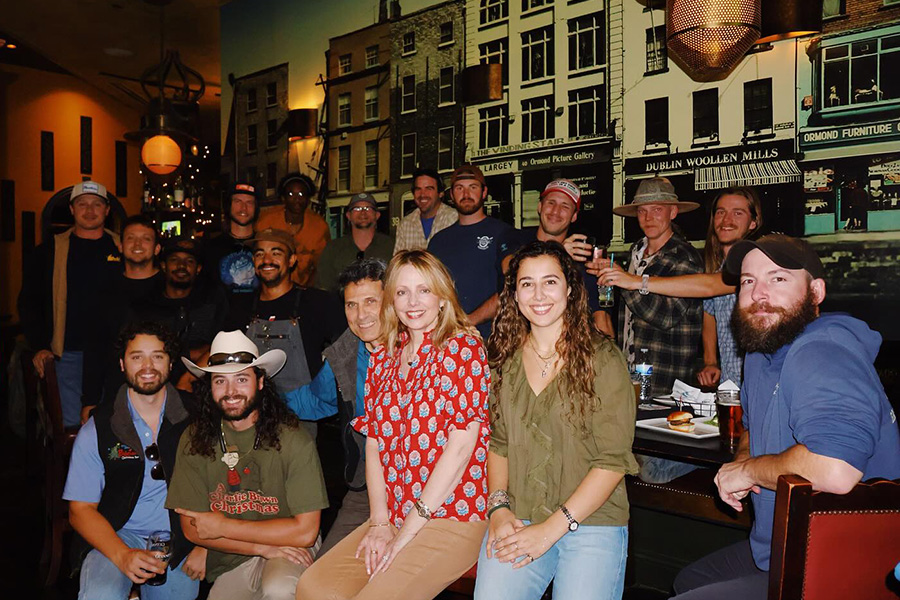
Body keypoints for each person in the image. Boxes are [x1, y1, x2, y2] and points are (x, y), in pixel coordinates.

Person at [671, 235, 900, 600]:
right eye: (748, 281)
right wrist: (744, 458)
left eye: (778, 279)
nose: (759, 293)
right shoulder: (762, 353)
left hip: (849, 559)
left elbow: (835, 470)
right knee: (689, 581)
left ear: (816, 292)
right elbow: (752, 426)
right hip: (785, 540)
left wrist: (746, 471)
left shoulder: (822, 351)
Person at [296, 250, 490, 600]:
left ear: (442, 296)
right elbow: (374, 444)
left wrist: (407, 530)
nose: (412, 302)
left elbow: (460, 450)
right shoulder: (384, 355)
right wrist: (381, 523)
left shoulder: (463, 348)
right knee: (314, 588)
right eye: (402, 292)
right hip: (396, 513)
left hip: (451, 516)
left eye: (423, 291)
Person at [473, 241, 638, 600]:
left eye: (550, 281)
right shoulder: (503, 363)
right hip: (520, 514)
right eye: (526, 284)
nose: (538, 294)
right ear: (514, 296)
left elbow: (612, 462)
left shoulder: (603, 360)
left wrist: (550, 530)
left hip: (591, 522)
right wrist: (499, 509)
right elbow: (498, 444)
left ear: (570, 289)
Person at [166, 330, 328, 600]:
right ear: (210, 387)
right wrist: (261, 547)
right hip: (234, 552)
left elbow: (305, 532)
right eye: (220, 381)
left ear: (261, 381)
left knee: (279, 589)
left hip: (290, 546)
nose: (231, 392)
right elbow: (192, 528)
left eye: (242, 379)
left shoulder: (293, 439)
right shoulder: (194, 439)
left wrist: (220, 528)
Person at [64, 321, 204, 600]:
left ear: (171, 363)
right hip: (117, 534)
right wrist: (122, 555)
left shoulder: (198, 418)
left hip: (182, 537)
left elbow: (222, 487)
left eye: (158, 356)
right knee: (99, 596)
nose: (148, 366)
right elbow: (80, 510)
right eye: (136, 356)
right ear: (121, 363)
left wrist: (207, 545)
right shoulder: (99, 428)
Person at [597, 187, 763, 388]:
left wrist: (631, 282)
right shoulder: (717, 266)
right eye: (720, 212)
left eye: (737, 213)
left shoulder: (755, 261)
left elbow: (710, 287)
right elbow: (709, 310)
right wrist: (710, 360)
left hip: (758, 381)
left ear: (753, 222)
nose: (726, 220)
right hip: (731, 383)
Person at [284, 258, 387, 555]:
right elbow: (316, 400)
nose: (361, 315)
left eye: (371, 301)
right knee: (320, 576)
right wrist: (260, 400)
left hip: (421, 487)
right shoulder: (346, 353)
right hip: (365, 487)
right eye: (351, 305)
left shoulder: (417, 347)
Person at [18, 180, 121, 427]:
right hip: (68, 354)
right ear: (72, 210)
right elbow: (29, 301)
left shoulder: (123, 247)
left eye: (97, 204)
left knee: (114, 425)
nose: (89, 210)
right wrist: (40, 345)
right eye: (82, 204)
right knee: (72, 426)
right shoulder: (49, 251)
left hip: (114, 354)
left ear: (107, 211)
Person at [227, 227, 346, 436]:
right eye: (259, 254)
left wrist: (324, 395)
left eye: (276, 252)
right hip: (249, 417)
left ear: (291, 261)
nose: (267, 259)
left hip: (299, 420)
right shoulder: (240, 307)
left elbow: (346, 349)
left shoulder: (318, 302)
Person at [609, 176, 703, 395]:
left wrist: (624, 282)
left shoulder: (684, 256)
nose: (648, 218)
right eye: (642, 211)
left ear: (673, 213)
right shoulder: (636, 251)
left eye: (657, 210)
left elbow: (666, 316)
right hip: (629, 371)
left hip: (666, 378)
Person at [82, 215, 167, 418]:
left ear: (156, 248)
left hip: (165, 396)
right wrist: (89, 400)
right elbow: (94, 349)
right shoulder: (104, 292)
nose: (137, 244)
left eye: (145, 238)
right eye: (130, 238)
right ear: (120, 246)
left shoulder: (170, 288)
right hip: (115, 396)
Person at [508, 179, 615, 338]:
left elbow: (601, 319)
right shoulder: (514, 240)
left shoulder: (584, 263)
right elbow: (508, 269)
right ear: (539, 207)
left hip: (568, 353)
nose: (556, 211)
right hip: (518, 347)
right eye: (551, 203)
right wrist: (558, 253)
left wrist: (610, 359)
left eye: (565, 206)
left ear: (574, 216)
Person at [428, 164, 517, 339]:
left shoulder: (504, 234)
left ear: (484, 193)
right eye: (459, 188)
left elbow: (512, 288)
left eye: (473, 187)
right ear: (451, 195)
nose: (466, 194)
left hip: (495, 342)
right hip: (448, 341)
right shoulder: (438, 241)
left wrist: (468, 321)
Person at [137, 237, 228, 386]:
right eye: (174, 260)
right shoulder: (147, 305)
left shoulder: (212, 300)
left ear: (198, 268)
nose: (182, 266)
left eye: (189, 261)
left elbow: (224, 343)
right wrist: (189, 353)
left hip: (205, 386)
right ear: (163, 266)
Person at [256, 172, 331, 287]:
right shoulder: (266, 221)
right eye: (291, 194)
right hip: (270, 287)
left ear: (308, 199)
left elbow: (320, 267)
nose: (297, 199)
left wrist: (305, 292)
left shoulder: (319, 226)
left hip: (304, 289)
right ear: (283, 198)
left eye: (301, 194)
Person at [316, 193, 394, 293]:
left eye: (368, 208)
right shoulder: (333, 249)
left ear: (377, 215)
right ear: (348, 215)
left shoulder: (391, 246)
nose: (362, 213)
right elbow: (323, 288)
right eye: (357, 209)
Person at [205, 182, 261, 305]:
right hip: (222, 319)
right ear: (228, 206)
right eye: (237, 202)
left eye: (249, 203)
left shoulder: (264, 245)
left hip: (260, 319)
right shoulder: (211, 248)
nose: (243, 208)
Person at [393, 167, 458, 253]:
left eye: (429, 188)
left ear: (440, 193)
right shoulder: (405, 224)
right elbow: (399, 262)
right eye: (418, 189)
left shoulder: (453, 219)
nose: (422, 194)